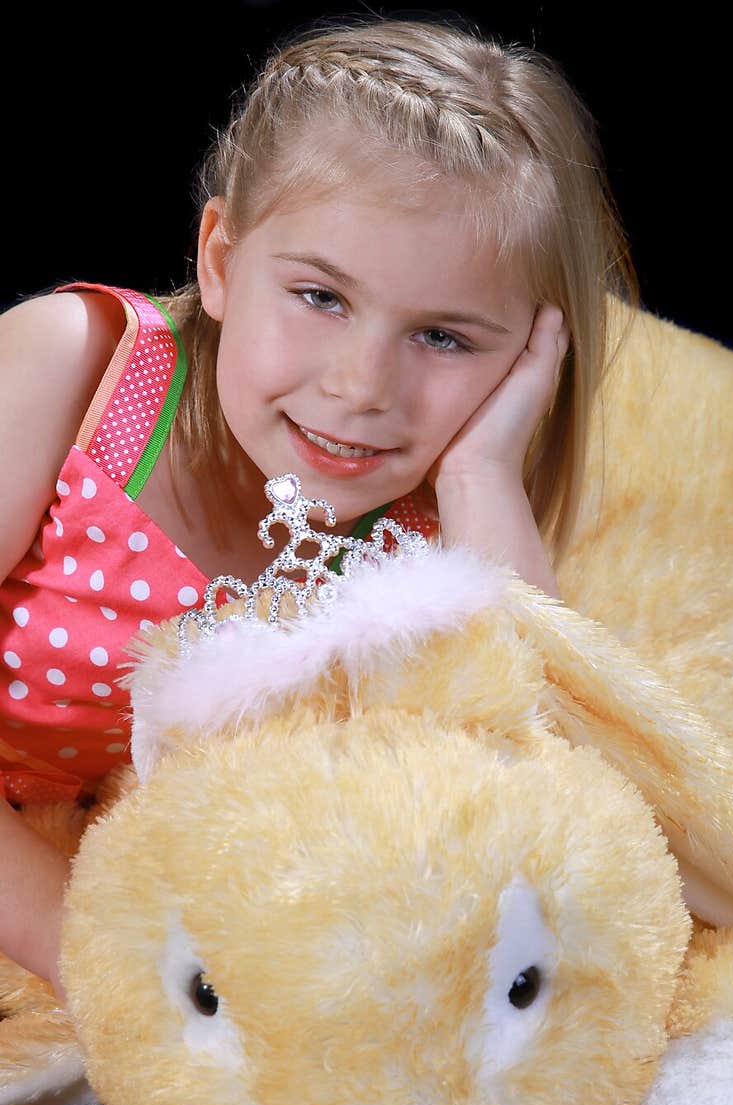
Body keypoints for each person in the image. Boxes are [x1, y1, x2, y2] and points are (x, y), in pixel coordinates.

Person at [0, 15, 639, 991]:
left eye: (443, 338)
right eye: (321, 298)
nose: (361, 387)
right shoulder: (78, 368)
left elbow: (542, 796)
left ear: (526, 360)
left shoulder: (428, 529)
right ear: (219, 261)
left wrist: (482, 476)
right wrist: (102, 956)